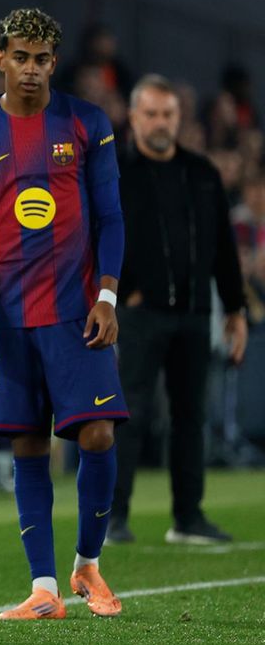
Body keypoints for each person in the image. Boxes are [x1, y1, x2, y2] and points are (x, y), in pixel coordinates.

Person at [0, 8, 127, 620]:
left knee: (98, 433)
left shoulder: (86, 122)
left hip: (78, 311)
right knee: (28, 444)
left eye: (42, 59)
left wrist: (107, 295)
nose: (31, 69)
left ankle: (88, 566)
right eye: (20, 56)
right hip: (10, 315)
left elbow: (110, 218)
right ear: (0, 57)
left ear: (55, 61)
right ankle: (44, 588)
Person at [109, 74, 248, 545]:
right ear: (133, 117)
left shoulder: (203, 173)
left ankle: (187, 518)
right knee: (128, 414)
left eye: (168, 113)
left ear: (179, 117)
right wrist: (120, 292)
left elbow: (225, 248)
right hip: (139, 315)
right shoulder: (115, 173)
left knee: (191, 417)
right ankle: (112, 519)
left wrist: (235, 308)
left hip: (194, 312)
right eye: (151, 113)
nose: (161, 122)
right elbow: (94, 240)